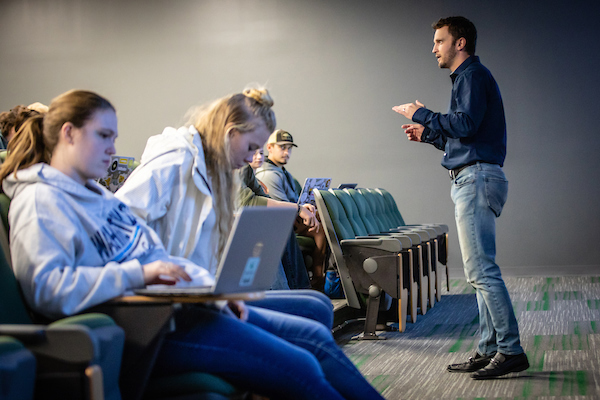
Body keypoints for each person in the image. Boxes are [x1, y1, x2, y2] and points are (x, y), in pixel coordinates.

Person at [0, 89, 384, 400]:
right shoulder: (39, 200)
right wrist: (142, 273)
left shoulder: (95, 199)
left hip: (173, 311)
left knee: (312, 336)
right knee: (301, 364)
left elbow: (158, 259)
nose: (113, 149)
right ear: (68, 133)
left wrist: (212, 293)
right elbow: (49, 289)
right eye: (104, 136)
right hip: (143, 329)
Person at [115, 88, 332, 325]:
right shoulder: (174, 161)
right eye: (251, 147)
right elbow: (118, 225)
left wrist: (220, 295)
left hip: (203, 297)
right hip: (172, 307)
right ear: (230, 133)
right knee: (309, 328)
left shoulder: (214, 172)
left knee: (317, 307)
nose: (252, 159)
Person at [392, 16, 529, 379]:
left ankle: (510, 349)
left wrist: (422, 113)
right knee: (478, 272)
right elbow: (466, 137)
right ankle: (488, 349)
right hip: (475, 176)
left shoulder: (472, 76)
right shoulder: (468, 79)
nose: (434, 48)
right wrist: (428, 135)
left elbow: (464, 124)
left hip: (477, 179)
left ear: (460, 43)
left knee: (481, 271)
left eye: (439, 41)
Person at [255, 129, 328, 290]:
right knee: (322, 226)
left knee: (323, 218)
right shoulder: (268, 173)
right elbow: (279, 206)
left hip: (289, 218)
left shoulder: (282, 172)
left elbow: (294, 201)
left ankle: (324, 278)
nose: (286, 152)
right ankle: (318, 279)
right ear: (270, 148)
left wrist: (305, 206)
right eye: (282, 147)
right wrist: (301, 208)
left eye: (289, 148)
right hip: (279, 222)